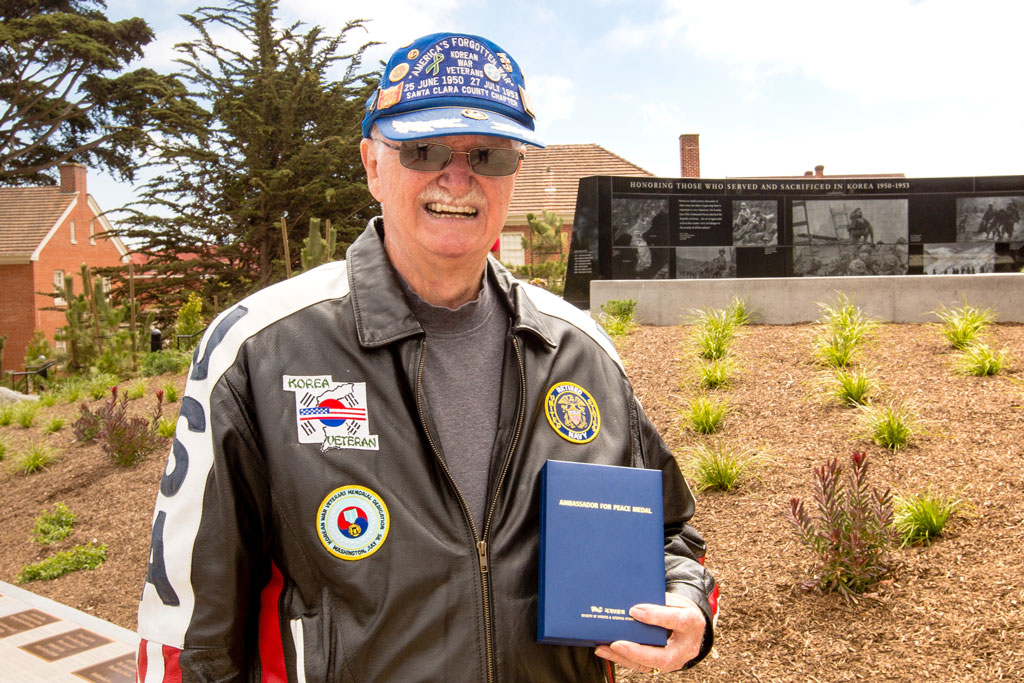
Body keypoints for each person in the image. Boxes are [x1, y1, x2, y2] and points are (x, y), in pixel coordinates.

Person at [135, 32, 717, 682]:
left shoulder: (581, 352)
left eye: (488, 153)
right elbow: (187, 638)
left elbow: (670, 535)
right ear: (371, 163)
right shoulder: (256, 349)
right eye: (424, 147)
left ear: (514, 170)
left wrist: (685, 599)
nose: (458, 176)